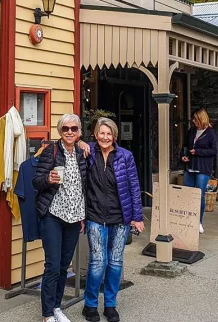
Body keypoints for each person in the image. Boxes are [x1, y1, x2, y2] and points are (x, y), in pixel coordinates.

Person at [82, 118, 144, 322]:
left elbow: (134, 187)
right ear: (95, 134)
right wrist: (81, 143)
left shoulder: (125, 156)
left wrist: (136, 217)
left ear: (114, 136)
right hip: (95, 215)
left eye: (109, 134)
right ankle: (90, 304)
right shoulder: (88, 153)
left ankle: (110, 304)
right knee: (98, 262)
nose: (105, 137)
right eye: (101, 133)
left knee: (116, 262)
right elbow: (70, 140)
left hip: (120, 218)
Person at [33, 114, 89, 322]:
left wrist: (83, 216)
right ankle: (47, 314)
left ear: (79, 132)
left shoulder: (83, 153)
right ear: (60, 131)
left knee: (65, 265)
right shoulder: (51, 152)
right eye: (65, 128)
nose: (70, 132)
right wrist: (47, 179)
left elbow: (83, 187)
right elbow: (35, 181)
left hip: (74, 217)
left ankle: (57, 307)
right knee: (53, 265)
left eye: (74, 129)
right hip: (53, 215)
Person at [181, 108, 218, 234]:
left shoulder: (210, 133)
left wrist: (198, 152)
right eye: (193, 119)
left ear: (201, 119)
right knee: (188, 195)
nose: (194, 121)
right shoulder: (192, 131)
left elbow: (214, 151)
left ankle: (198, 222)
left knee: (199, 195)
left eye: (196, 119)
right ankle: (188, 220)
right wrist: (184, 155)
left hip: (203, 169)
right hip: (189, 167)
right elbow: (185, 146)